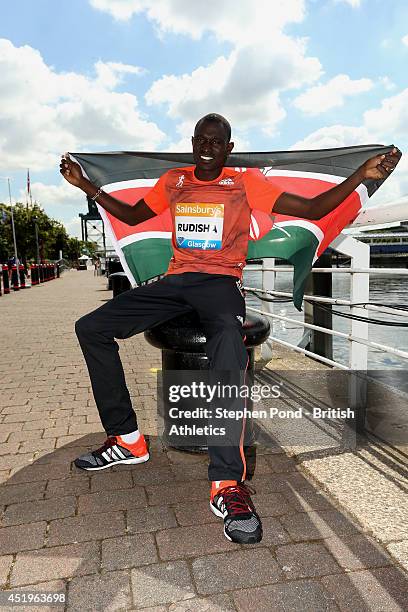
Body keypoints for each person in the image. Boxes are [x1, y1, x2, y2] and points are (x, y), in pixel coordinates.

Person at [60, 114, 400, 544]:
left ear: (228, 147)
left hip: (220, 284)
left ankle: (226, 484)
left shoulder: (244, 182)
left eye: (216, 141)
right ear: (192, 142)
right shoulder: (174, 181)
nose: (207, 146)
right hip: (176, 280)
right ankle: (127, 439)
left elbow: (313, 208)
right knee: (91, 328)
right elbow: (130, 212)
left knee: (227, 349)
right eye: (201, 139)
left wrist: (360, 174)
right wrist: (87, 188)